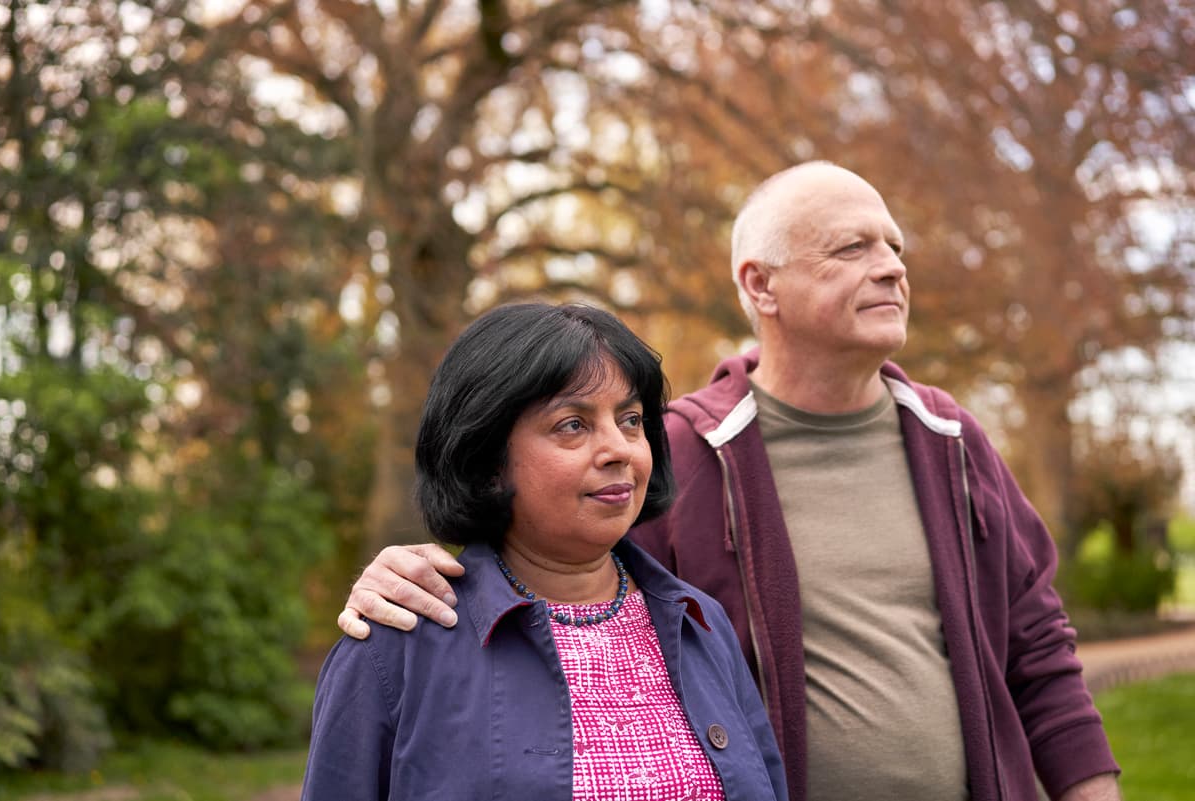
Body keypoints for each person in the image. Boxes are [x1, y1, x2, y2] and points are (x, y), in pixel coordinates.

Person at [337, 163, 1121, 801]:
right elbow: (541, 555)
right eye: (852, 249)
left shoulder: (951, 439)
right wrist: (407, 570)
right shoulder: (692, 449)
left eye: (895, 247)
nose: (890, 266)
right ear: (761, 285)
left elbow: (1039, 647)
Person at [303, 303, 787, 801]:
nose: (618, 448)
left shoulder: (700, 624)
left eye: (631, 419)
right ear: (489, 460)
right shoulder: (397, 640)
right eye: (572, 424)